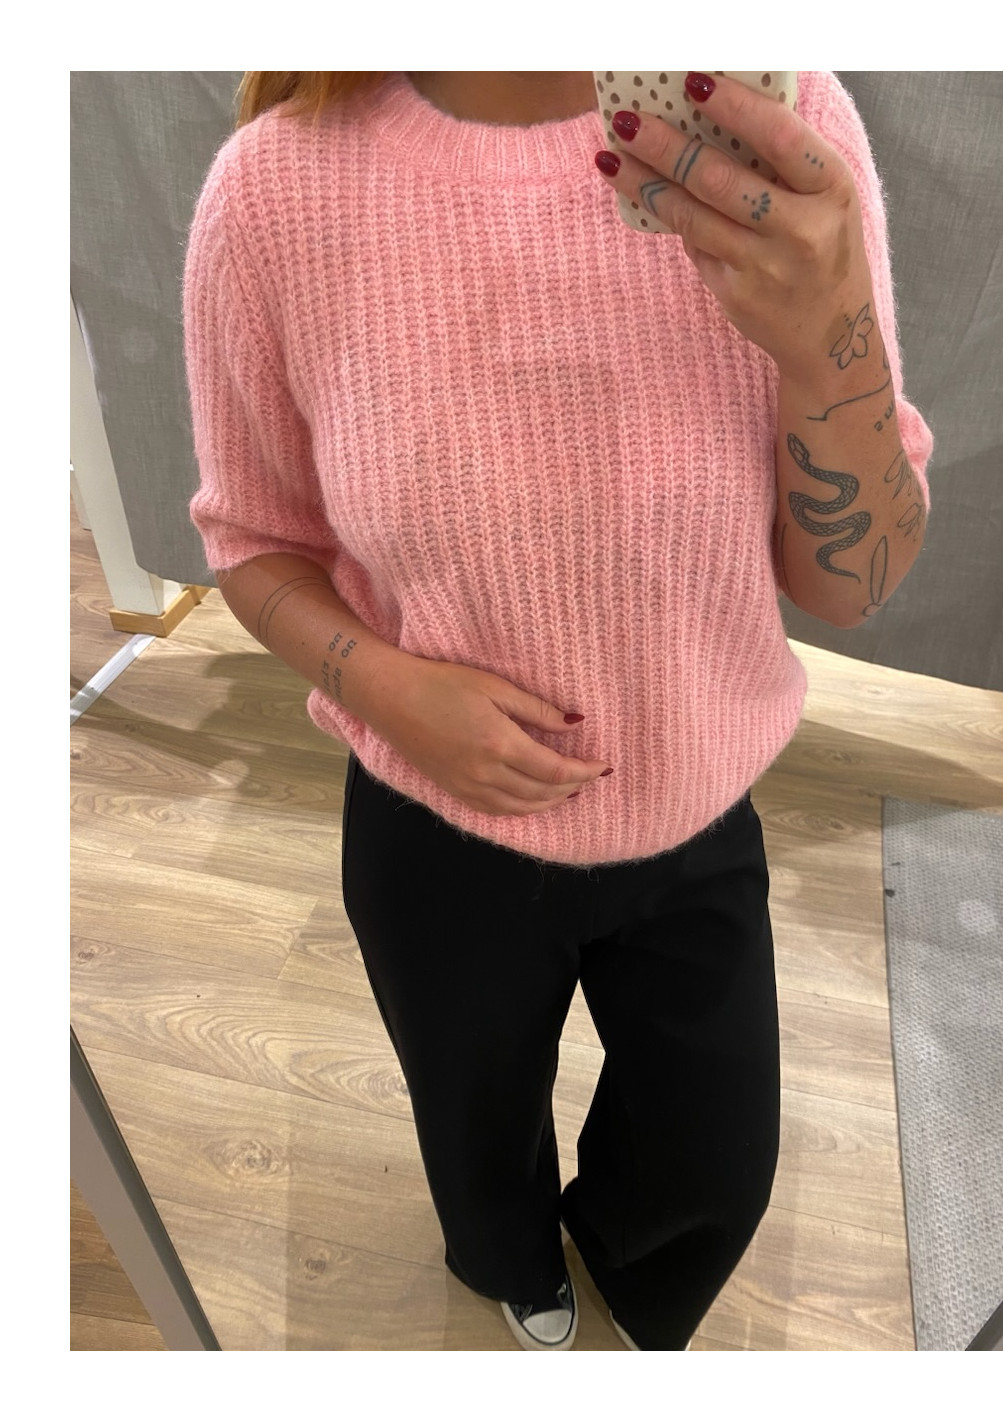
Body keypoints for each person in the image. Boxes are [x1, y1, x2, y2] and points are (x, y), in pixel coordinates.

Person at [182, 69, 933, 1351]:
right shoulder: (276, 190)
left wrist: (827, 342)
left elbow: (849, 584)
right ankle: (508, 1264)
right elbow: (253, 540)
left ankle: (631, 1287)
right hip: (432, 826)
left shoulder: (779, 127)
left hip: (695, 798)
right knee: (472, 1132)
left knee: (713, 1163)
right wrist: (388, 689)